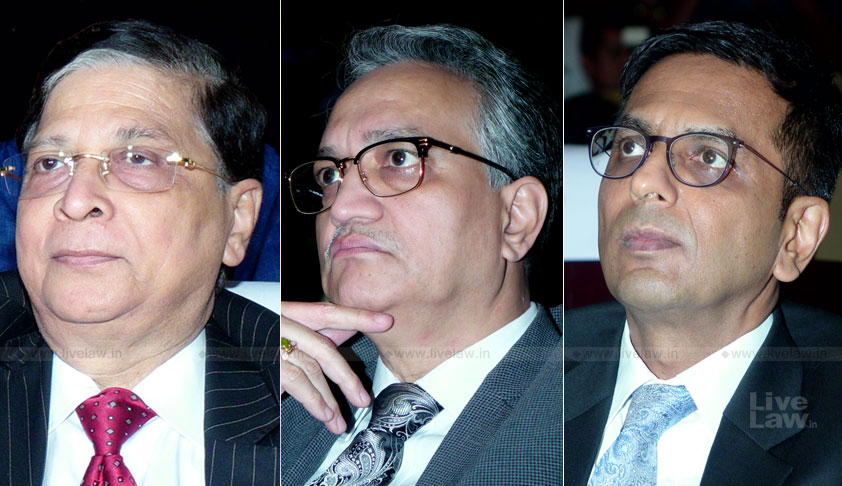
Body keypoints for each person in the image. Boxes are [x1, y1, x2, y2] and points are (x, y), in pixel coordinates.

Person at [281, 24, 562, 485]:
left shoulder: (590, 420)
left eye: (398, 159)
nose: (343, 207)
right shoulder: (272, 396)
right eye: (330, 175)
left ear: (516, 218)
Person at [0, 20, 279, 486]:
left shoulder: (306, 404)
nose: (75, 199)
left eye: (137, 158)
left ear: (237, 220)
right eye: (49, 163)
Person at [565, 21, 842, 485]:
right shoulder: (530, 365)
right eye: (630, 146)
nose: (642, 180)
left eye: (709, 156)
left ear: (796, 236)